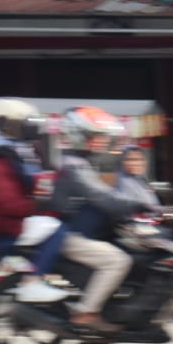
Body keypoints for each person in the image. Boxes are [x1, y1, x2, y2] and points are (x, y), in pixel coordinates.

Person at [50, 106, 152, 332]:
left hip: (84, 230)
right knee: (118, 261)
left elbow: (103, 195)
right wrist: (137, 204)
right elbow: (101, 196)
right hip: (71, 235)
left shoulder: (82, 163)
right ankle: (86, 312)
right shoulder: (74, 166)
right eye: (96, 137)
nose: (102, 142)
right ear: (79, 136)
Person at [0, 98, 62, 303]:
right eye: (23, 122)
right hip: (12, 224)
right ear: (7, 125)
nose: (29, 127)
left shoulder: (25, 152)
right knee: (59, 229)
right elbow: (7, 202)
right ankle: (32, 281)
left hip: (27, 216)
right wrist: (37, 204)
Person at [115, 146, 162, 213]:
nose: (135, 163)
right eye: (130, 159)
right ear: (122, 163)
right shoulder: (124, 184)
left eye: (139, 159)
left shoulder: (141, 181)